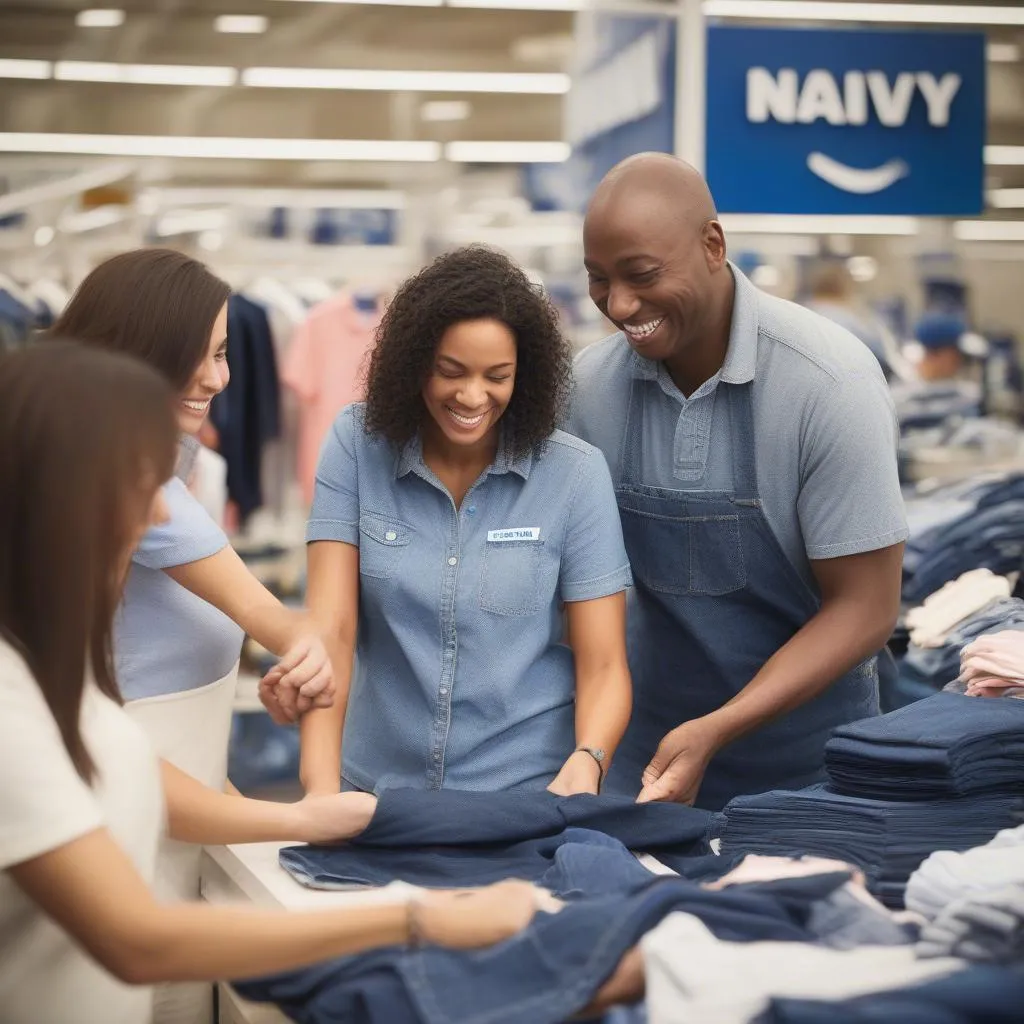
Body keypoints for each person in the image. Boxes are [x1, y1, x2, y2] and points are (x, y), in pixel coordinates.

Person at [0, 342, 542, 1024]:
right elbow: (137, 940)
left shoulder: (55, 671)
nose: (162, 516)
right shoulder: (10, 700)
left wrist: (303, 816)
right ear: (63, 495)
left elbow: (136, 784)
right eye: (140, 484)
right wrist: (416, 919)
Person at [570, 153, 907, 811]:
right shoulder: (588, 389)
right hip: (644, 761)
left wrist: (718, 730)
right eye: (598, 281)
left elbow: (866, 606)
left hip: (815, 768)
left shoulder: (829, 385)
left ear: (713, 246)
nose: (619, 304)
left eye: (640, 275)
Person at [49, 249, 334, 1022]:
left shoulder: (157, 473)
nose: (220, 380)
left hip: (168, 838)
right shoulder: (122, 491)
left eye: (221, 353)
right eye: (199, 357)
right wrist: (300, 819)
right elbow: (115, 759)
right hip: (123, 853)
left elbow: (273, 625)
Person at [273, 246, 633, 797]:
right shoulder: (356, 444)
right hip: (376, 789)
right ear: (416, 361)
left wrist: (588, 761)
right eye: (450, 371)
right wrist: (320, 794)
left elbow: (604, 663)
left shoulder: (575, 475)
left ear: (525, 375)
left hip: (527, 794)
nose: (471, 396)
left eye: (498, 376)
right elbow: (332, 634)